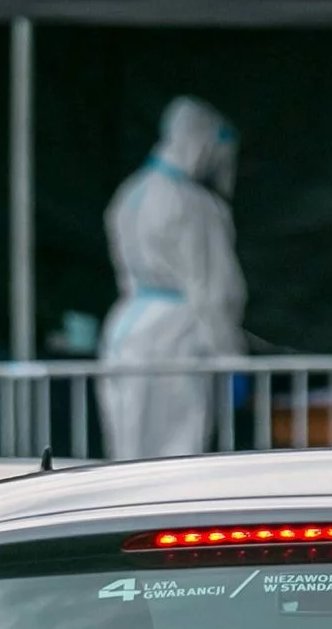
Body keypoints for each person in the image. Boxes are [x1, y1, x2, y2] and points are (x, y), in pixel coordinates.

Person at [96, 96, 247, 460]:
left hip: (125, 331)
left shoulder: (131, 191)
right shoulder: (194, 203)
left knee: (126, 447)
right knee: (176, 451)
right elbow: (214, 289)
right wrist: (232, 357)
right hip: (177, 339)